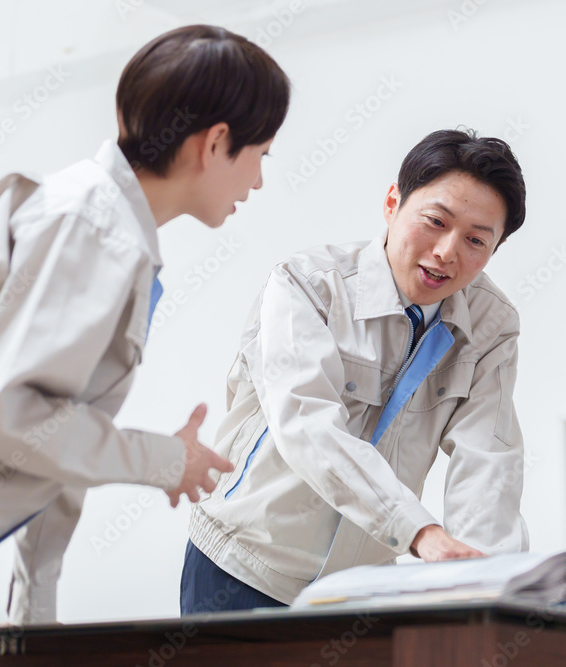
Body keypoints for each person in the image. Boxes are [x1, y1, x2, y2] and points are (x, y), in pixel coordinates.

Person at [0, 25, 289, 666]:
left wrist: (33, 621)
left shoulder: (105, 224)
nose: (259, 181)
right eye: (262, 154)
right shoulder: (96, 226)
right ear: (216, 142)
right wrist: (164, 460)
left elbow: (46, 439)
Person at [181, 128, 530, 613]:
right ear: (392, 203)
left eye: (475, 239)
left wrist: (488, 582)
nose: (447, 252)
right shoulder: (307, 286)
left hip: (361, 588)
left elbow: (488, 458)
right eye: (435, 221)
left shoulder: (492, 325)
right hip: (245, 564)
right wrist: (419, 531)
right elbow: (307, 424)